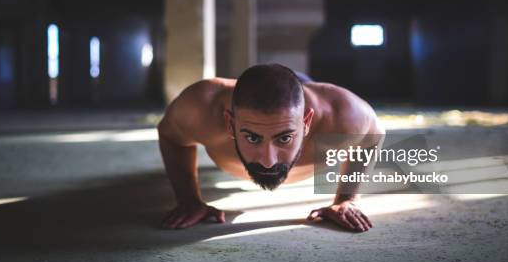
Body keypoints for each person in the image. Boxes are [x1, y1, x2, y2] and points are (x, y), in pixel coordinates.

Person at [158, 64, 384, 232]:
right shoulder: (201, 109)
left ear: (306, 123)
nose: (269, 161)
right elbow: (170, 135)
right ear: (230, 124)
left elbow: (373, 136)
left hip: (305, 88)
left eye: (284, 138)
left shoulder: (344, 115)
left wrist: (347, 198)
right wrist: (188, 198)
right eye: (253, 138)